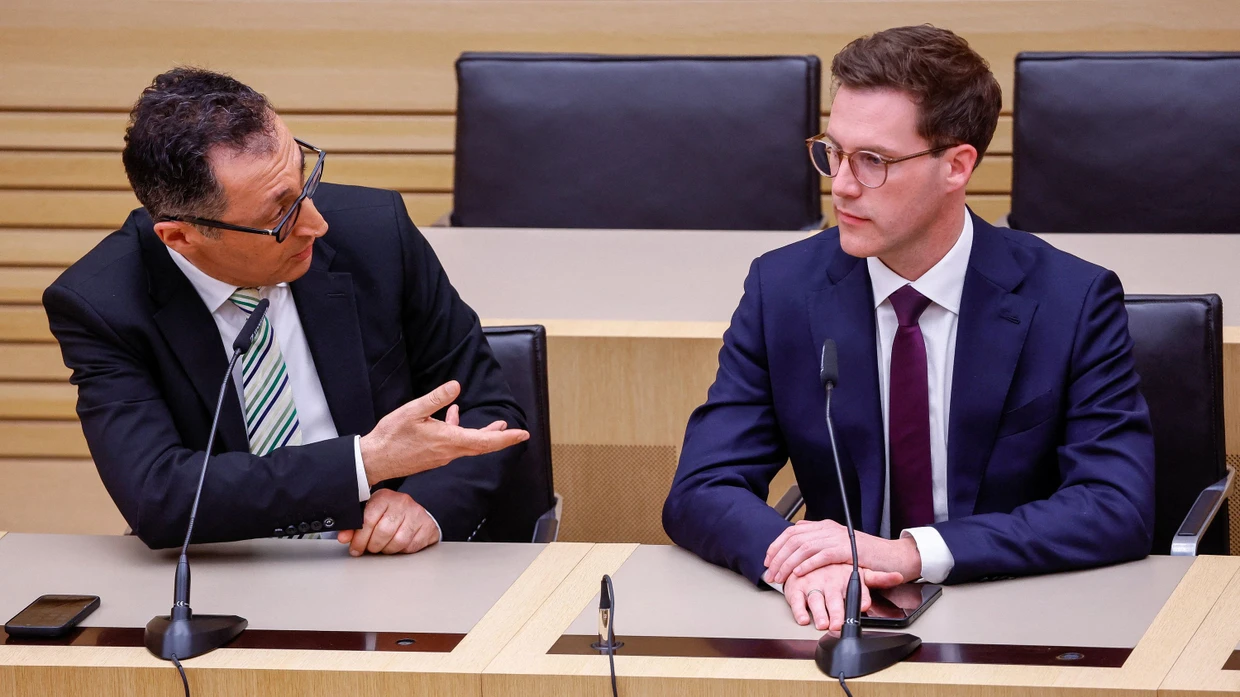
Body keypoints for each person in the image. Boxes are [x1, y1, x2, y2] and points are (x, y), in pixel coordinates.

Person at [662, 25, 1155, 632]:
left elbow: (1114, 505)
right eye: (834, 152)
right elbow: (702, 487)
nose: (842, 184)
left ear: (957, 166)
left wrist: (910, 554)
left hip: (1021, 612)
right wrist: (800, 564)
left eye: (874, 161)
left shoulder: (1070, 300)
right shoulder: (782, 290)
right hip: (841, 620)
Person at [44, 68, 530, 556]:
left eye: (305, 180)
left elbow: (489, 409)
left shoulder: (377, 235)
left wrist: (423, 507)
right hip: (222, 568)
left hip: (385, 563)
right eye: (278, 214)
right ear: (181, 237)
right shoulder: (103, 304)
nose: (316, 224)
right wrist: (363, 463)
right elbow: (161, 496)